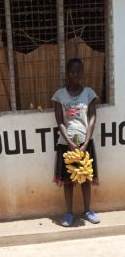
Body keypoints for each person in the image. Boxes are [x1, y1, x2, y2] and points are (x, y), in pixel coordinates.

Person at [52, 58, 100, 227]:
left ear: (82, 73)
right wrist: (70, 143)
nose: (75, 74)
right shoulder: (59, 95)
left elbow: (92, 117)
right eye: (72, 71)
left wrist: (86, 141)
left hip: (86, 143)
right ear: (67, 72)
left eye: (79, 71)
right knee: (68, 181)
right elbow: (59, 121)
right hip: (66, 144)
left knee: (85, 179)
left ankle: (88, 211)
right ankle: (69, 214)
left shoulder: (89, 93)